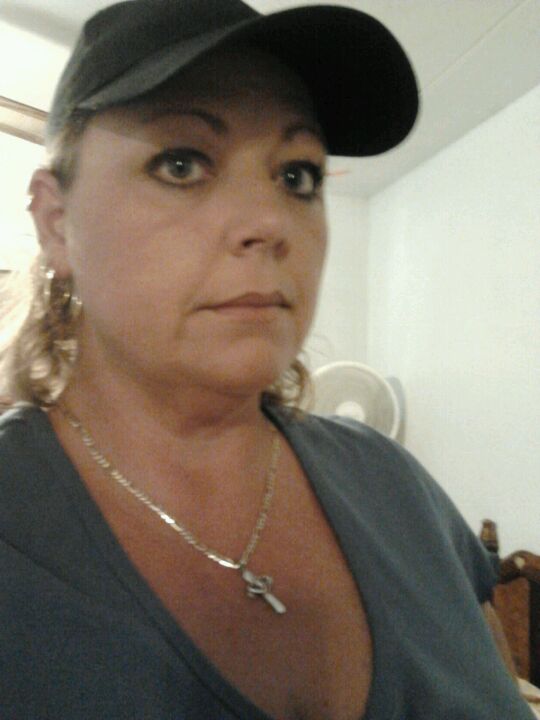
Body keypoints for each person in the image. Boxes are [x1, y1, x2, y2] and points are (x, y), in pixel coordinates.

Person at [0, 1, 534, 718]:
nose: (269, 222)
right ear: (56, 223)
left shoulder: (394, 484)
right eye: (181, 163)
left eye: (298, 176)